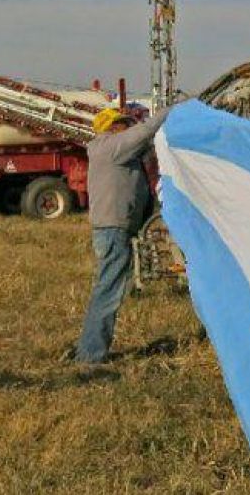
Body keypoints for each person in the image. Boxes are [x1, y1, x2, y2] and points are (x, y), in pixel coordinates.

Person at [71, 103, 173, 363]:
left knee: (106, 288)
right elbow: (146, 130)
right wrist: (174, 109)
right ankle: (90, 355)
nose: (129, 127)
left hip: (114, 229)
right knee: (108, 292)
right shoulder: (111, 147)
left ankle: (88, 348)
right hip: (114, 230)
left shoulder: (113, 152)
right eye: (124, 124)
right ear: (112, 128)